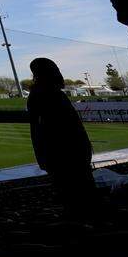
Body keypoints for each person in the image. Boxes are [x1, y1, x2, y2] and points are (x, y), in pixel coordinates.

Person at [27, 57, 96, 206]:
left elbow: (38, 129)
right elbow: (70, 127)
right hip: (68, 154)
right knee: (83, 196)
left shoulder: (39, 93)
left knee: (70, 197)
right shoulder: (52, 94)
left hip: (58, 155)